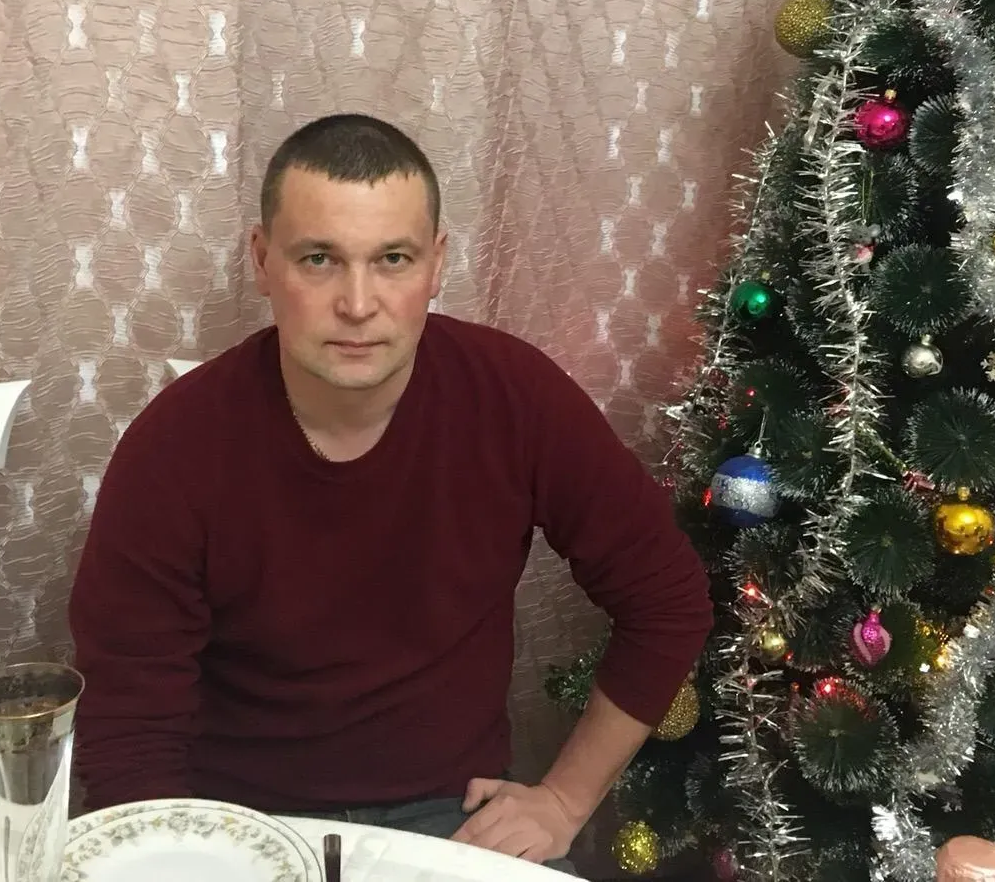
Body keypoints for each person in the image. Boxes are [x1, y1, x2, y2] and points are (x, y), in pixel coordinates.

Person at [68, 113, 713, 869]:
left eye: (393, 259)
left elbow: (667, 598)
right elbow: (130, 729)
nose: (357, 303)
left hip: (447, 820)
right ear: (262, 260)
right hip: (237, 828)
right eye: (319, 259)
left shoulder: (515, 397)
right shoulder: (174, 445)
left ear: (437, 265)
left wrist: (565, 801)